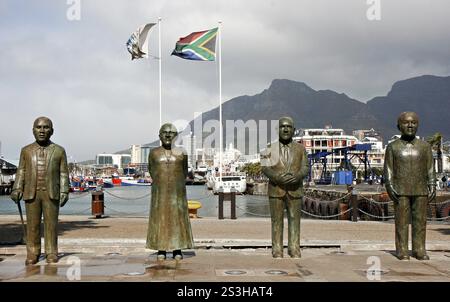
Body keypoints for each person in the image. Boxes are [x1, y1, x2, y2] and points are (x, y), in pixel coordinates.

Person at [10, 117, 69, 265]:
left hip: (51, 192)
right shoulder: (26, 151)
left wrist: (64, 191)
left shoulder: (59, 151)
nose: (42, 131)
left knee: (51, 224)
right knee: (33, 225)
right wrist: (17, 187)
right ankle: (33, 253)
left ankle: (51, 252)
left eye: (46, 127)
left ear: (52, 131)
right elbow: (21, 171)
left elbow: (63, 173)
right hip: (31, 192)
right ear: (33, 130)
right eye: (38, 127)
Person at [384, 112, 436, 260]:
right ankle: (402, 249)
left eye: (414, 122)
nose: (410, 125)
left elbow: (430, 168)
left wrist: (432, 184)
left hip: (421, 189)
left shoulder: (425, 147)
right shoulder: (392, 147)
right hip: (400, 189)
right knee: (401, 222)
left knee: (420, 221)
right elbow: (388, 169)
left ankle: (419, 249)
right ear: (398, 126)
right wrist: (389, 184)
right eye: (406, 122)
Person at [261, 117, 309, 258]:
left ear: (294, 130)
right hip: (276, 189)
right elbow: (264, 167)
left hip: (295, 189)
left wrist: (298, 176)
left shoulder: (301, 149)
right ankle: (277, 249)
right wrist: (275, 177)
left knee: (295, 219)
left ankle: (294, 248)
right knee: (276, 220)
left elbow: (306, 167)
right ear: (278, 129)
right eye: (283, 126)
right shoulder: (268, 148)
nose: (286, 129)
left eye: (289, 127)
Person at [146, 123, 194, 260]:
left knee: (177, 219)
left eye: (171, 132)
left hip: (177, 192)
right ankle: (161, 248)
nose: (168, 134)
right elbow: (152, 170)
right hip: (159, 192)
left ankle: (177, 248)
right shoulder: (153, 153)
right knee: (158, 219)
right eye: (164, 132)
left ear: (176, 136)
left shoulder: (182, 153)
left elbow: (184, 171)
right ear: (159, 136)